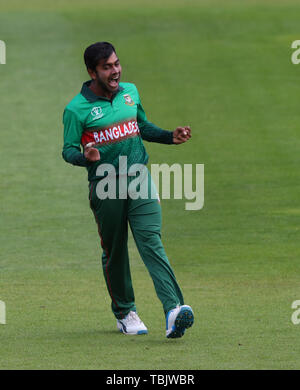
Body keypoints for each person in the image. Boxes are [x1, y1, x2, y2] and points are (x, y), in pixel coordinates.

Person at [62, 41, 194, 338]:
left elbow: (141, 127)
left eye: (117, 64)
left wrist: (169, 136)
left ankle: (173, 309)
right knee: (115, 250)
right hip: (105, 185)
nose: (115, 71)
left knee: (151, 240)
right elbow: (68, 150)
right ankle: (125, 312)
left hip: (138, 176)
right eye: (107, 67)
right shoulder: (76, 109)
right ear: (92, 72)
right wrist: (85, 157)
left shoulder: (130, 93)